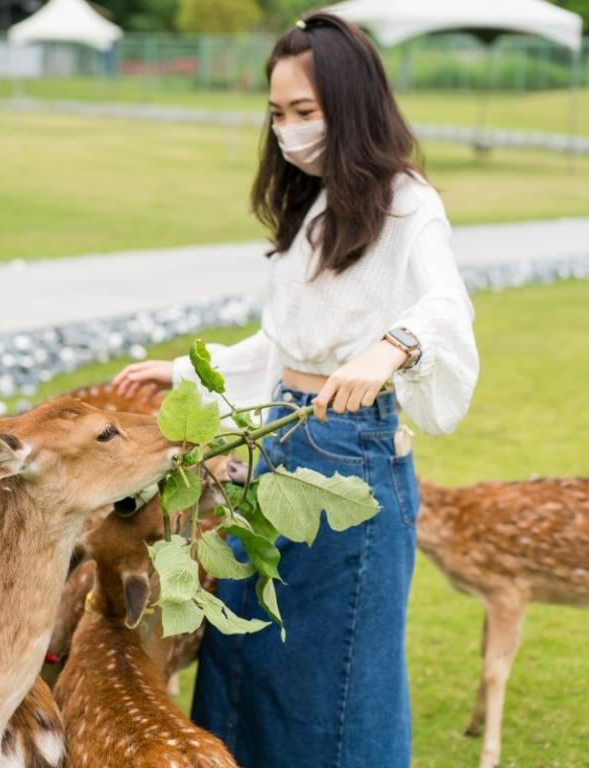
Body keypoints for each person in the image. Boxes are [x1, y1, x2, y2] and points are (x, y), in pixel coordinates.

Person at [113, 12, 479, 768]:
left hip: (351, 449)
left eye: (304, 112)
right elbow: (288, 341)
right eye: (277, 113)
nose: (287, 129)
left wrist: (393, 345)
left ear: (351, 105)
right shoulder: (314, 208)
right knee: (247, 658)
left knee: (335, 681)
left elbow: (444, 306)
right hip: (277, 433)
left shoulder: (409, 204)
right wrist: (184, 372)